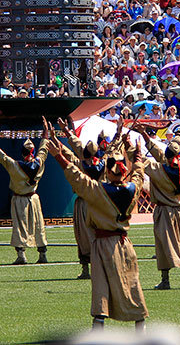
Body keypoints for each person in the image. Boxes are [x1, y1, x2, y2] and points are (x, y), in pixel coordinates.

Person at [46, 126, 148, 331]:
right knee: (131, 285)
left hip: (102, 244)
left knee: (101, 288)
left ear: (108, 171)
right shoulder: (133, 188)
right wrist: (137, 155)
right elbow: (138, 172)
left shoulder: (97, 190)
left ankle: (98, 328)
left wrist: (58, 156)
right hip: (124, 243)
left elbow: (76, 176)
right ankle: (141, 329)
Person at [136, 125, 180, 290]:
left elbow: (140, 159)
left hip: (165, 211)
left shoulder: (156, 168)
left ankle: (165, 280)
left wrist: (137, 142)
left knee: (163, 243)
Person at [59, 119, 111, 279]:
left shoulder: (79, 164)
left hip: (83, 204)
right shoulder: (105, 162)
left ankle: (86, 269)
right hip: (100, 202)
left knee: (83, 236)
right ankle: (102, 266)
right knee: (101, 234)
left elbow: (71, 152)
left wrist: (59, 139)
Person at [0, 124, 49, 265]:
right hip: (34, 198)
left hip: (19, 199)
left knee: (19, 226)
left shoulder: (14, 165)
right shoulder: (39, 162)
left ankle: (21, 255)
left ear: (22, 152)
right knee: (38, 225)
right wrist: (45, 132)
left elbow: (0, 154)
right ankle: (42, 255)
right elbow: (44, 149)